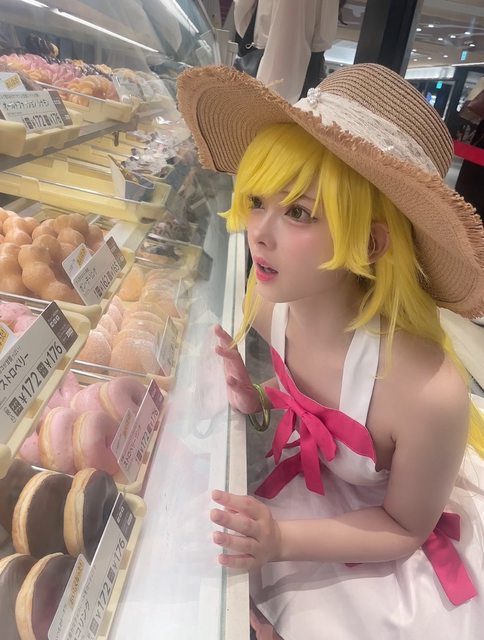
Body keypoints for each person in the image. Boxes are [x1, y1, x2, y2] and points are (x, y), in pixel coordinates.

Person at [177, 64, 484, 639]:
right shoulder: (268, 304)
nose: (258, 232)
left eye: (298, 212)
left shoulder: (426, 391)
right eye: (258, 200)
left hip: (392, 539)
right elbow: (324, 405)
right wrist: (262, 398)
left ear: (370, 243)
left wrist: (280, 539)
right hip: (321, 494)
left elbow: (404, 527)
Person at [233, 0, 339, 103]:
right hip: (310, 58)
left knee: (261, 107)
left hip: (267, 50)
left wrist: (251, 32)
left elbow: (242, 6)